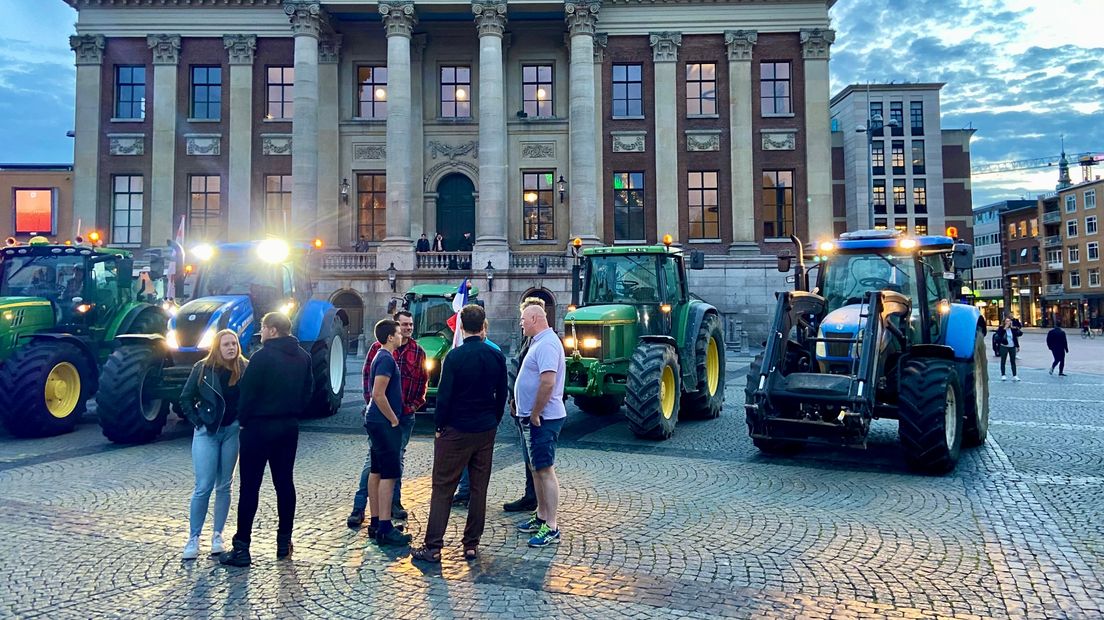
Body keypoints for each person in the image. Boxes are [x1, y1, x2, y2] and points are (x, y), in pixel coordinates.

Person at [411, 305, 508, 563]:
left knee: (443, 487)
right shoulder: (496, 356)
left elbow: (444, 397)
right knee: (479, 489)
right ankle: (471, 544)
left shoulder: (454, 357)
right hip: (485, 428)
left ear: (460, 326)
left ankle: (433, 547)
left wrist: (440, 426)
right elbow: (502, 394)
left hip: (456, 429)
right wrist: (494, 420)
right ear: (483, 325)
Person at [220, 312, 314, 567]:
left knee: (249, 487)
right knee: (284, 484)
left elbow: (247, 395)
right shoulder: (304, 357)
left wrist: (245, 420)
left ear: (272, 330)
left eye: (262, 328)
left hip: (258, 428)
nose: (260, 333)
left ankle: (242, 548)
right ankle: (284, 542)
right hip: (288, 427)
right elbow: (309, 392)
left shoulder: (261, 357)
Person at [348, 311, 427, 527]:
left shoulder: (417, 351)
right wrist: (390, 417)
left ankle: (389, 509)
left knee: (390, 465)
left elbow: (422, 383)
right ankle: (372, 516)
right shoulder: (381, 354)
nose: (407, 329)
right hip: (386, 420)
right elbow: (374, 390)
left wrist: (410, 408)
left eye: (410, 325)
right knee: (381, 468)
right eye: (402, 326)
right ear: (392, 333)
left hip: (403, 415)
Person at [179, 329, 247, 560]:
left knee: (225, 485)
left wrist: (243, 421)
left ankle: (217, 535)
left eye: (234, 344)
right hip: (207, 432)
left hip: (231, 432)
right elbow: (185, 398)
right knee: (203, 486)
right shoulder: (203, 369)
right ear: (217, 347)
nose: (231, 348)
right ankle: (193, 537)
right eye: (226, 344)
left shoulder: (244, 368)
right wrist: (197, 422)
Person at [513, 303, 567, 548]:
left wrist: (535, 413)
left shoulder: (546, 343)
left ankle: (552, 526)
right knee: (535, 468)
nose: (521, 323)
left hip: (543, 418)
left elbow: (547, 382)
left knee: (545, 470)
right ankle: (541, 514)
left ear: (535, 318)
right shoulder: (539, 341)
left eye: (524, 319)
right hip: (532, 417)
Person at [362, 319, 412, 546]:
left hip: (376, 421)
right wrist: (394, 419)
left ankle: (375, 521)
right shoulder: (385, 358)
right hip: (383, 423)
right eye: (399, 333)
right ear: (390, 337)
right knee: (389, 474)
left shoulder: (381, 357)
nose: (402, 335)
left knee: (376, 470)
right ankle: (384, 526)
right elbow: (378, 394)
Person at [452, 320, 504, 506]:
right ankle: (468, 492)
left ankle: (468, 493)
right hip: (482, 416)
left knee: (473, 460)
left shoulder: (492, 351)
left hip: (473, 416)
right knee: (473, 460)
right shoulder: (493, 351)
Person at [993, 317, 1021, 382]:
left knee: (1013, 361)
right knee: (1003, 361)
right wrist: (1004, 328)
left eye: (1009, 321)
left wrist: (1017, 346)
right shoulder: (1001, 328)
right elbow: (999, 335)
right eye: (1007, 321)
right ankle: (1003, 375)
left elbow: (1015, 338)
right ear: (1004, 322)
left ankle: (1015, 375)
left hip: (1012, 346)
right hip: (1004, 346)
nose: (1008, 322)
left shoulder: (1012, 329)